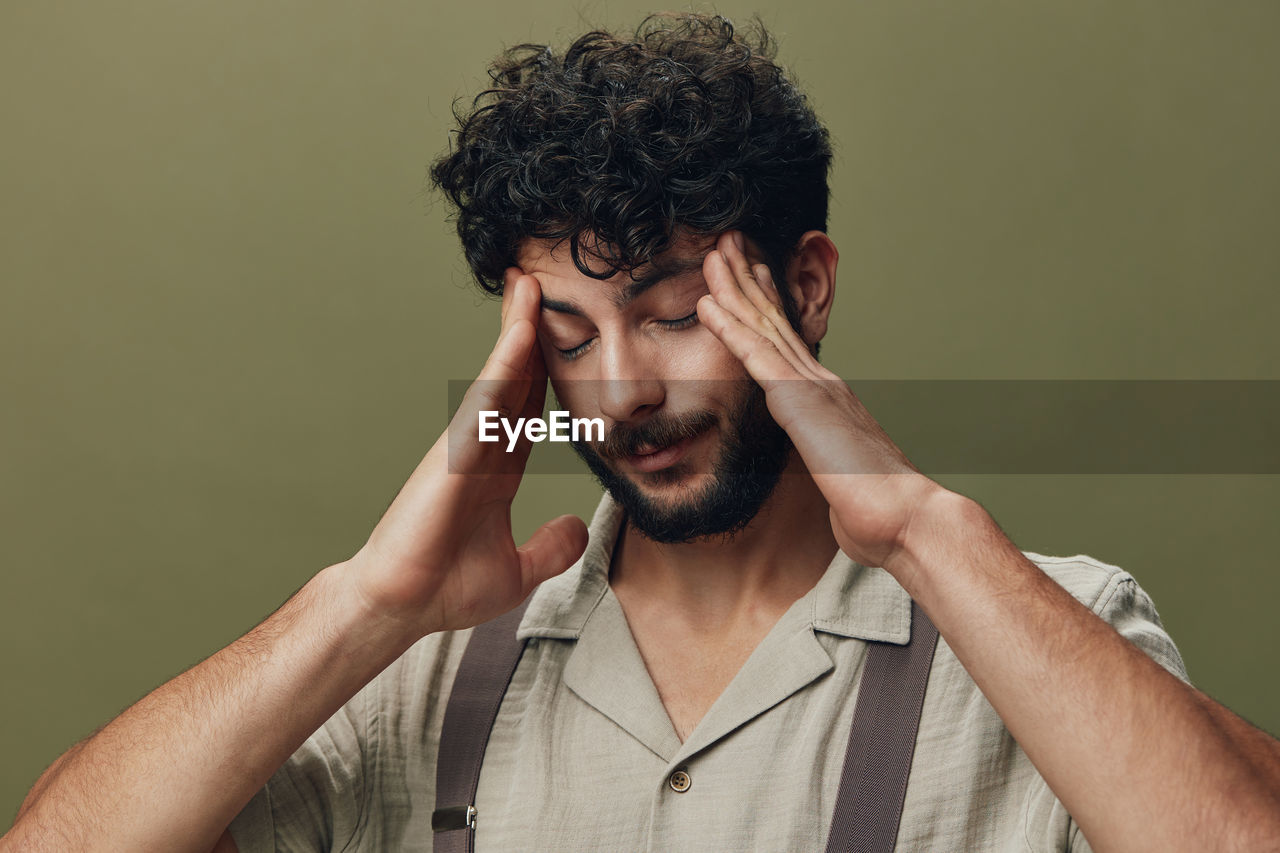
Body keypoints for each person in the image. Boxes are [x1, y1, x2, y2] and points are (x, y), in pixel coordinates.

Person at [5, 12, 1279, 853]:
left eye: (673, 314)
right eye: (565, 335)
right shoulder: (424, 671)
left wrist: (920, 530)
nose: (615, 390)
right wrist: (361, 607)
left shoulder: (1038, 627)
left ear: (807, 287)